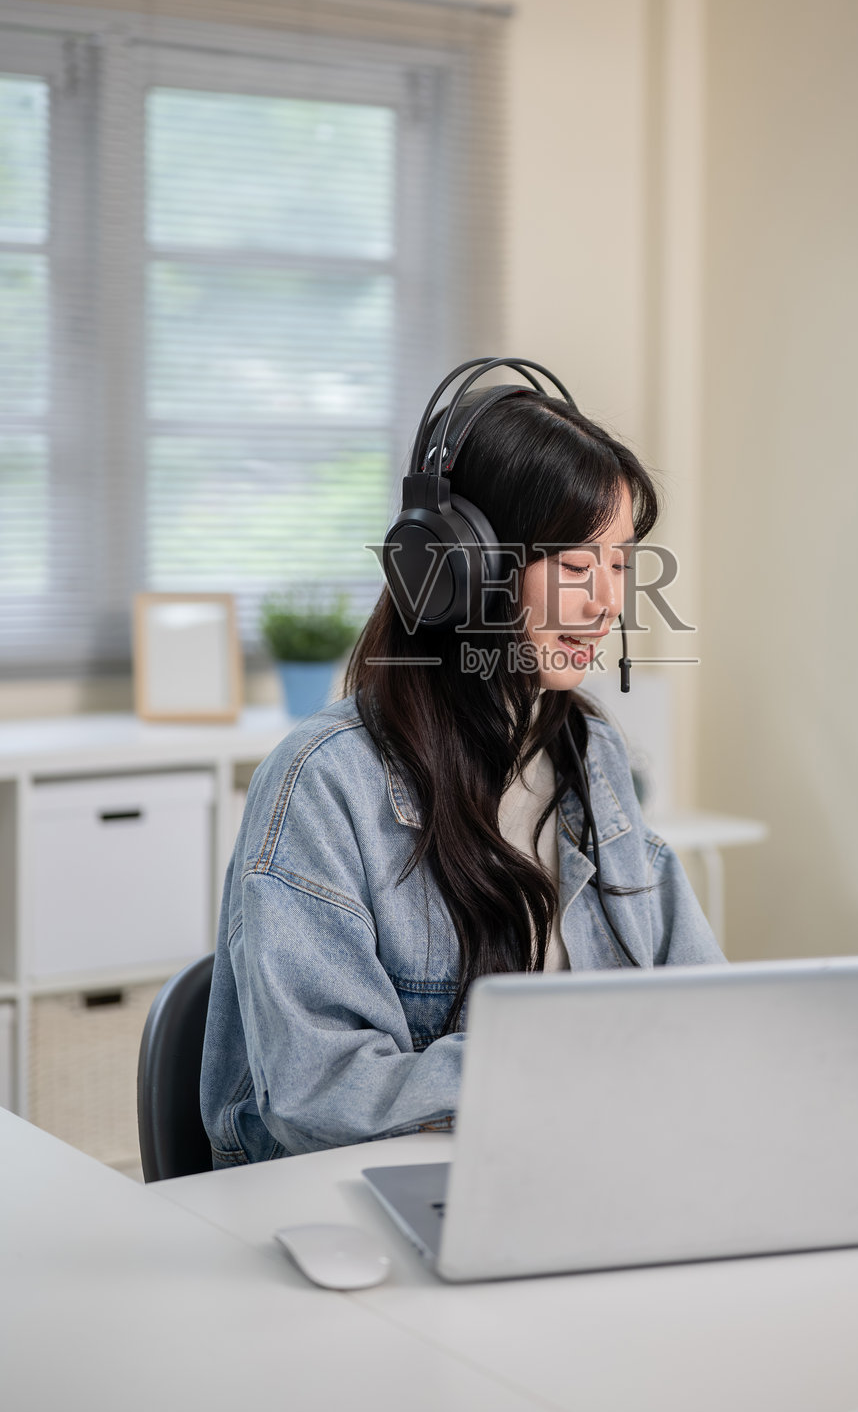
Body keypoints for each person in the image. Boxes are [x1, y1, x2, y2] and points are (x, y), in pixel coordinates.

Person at [200, 374, 725, 1167]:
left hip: (574, 1168)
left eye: (620, 564)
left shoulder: (589, 754)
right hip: (367, 1199)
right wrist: (558, 1059)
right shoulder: (322, 784)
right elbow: (322, 1094)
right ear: (459, 569)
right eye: (579, 564)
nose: (610, 600)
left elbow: (702, 1000)